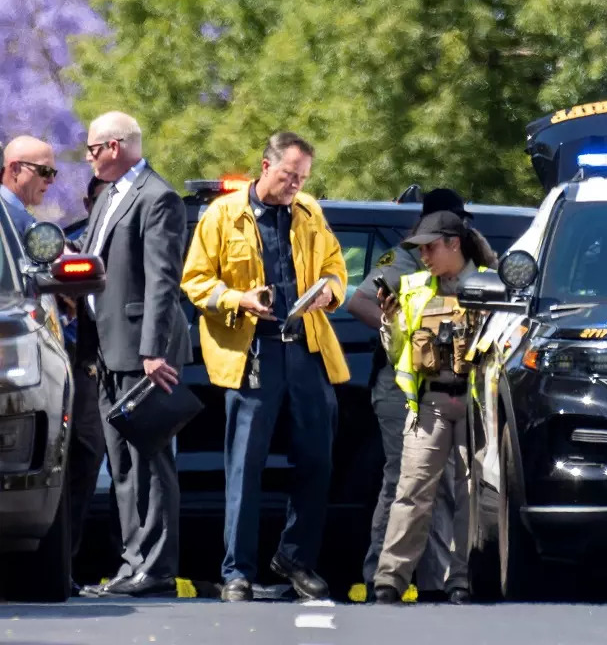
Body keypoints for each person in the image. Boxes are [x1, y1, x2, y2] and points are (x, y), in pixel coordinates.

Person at [180, 131, 349, 603]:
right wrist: (239, 299)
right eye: (289, 175)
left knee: (316, 461)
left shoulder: (310, 212)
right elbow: (195, 282)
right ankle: (237, 571)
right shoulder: (222, 215)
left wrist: (331, 290)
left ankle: (296, 559)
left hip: (306, 348)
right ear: (265, 165)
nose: (296, 184)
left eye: (302, 177)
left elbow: (336, 266)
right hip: (254, 352)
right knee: (245, 465)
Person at [347, 188, 494, 602]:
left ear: (454, 241)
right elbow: (391, 341)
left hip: (471, 401)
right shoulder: (411, 281)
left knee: (464, 491)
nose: (425, 254)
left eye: (432, 246)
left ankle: (453, 580)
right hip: (422, 400)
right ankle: (387, 579)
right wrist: (393, 326)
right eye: (422, 246)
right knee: (409, 488)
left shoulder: (489, 285)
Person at [77, 112, 192, 598]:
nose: (87, 157)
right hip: (107, 350)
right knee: (122, 466)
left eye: (92, 148)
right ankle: (132, 561)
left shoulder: (157, 197)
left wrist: (152, 350)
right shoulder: (109, 196)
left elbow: (163, 279)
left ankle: (157, 566)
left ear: (116, 145)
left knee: (150, 460)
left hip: (141, 352)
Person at [63, 175, 111, 597]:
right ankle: (65, 563)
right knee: (80, 456)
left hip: (118, 363)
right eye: (102, 197)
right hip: (77, 366)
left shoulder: (129, 234)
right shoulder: (69, 243)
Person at [1, 135, 56, 236]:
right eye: (45, 171)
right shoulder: (18, 223)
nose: (51, 180)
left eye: (53, 173)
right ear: (15, 170)